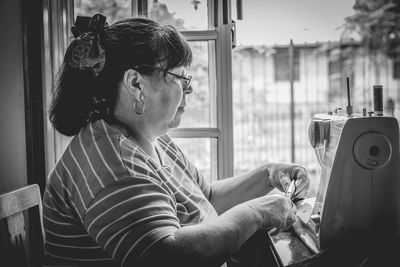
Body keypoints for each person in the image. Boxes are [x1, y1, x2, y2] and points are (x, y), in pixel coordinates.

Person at [42, 14, 310, 267]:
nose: (189, 88)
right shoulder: (114, 165)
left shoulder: (155, 141)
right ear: (136, 84)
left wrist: (267, 175)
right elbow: (168, 256)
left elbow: (206, 199)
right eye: (180, 76)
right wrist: (257, 213)